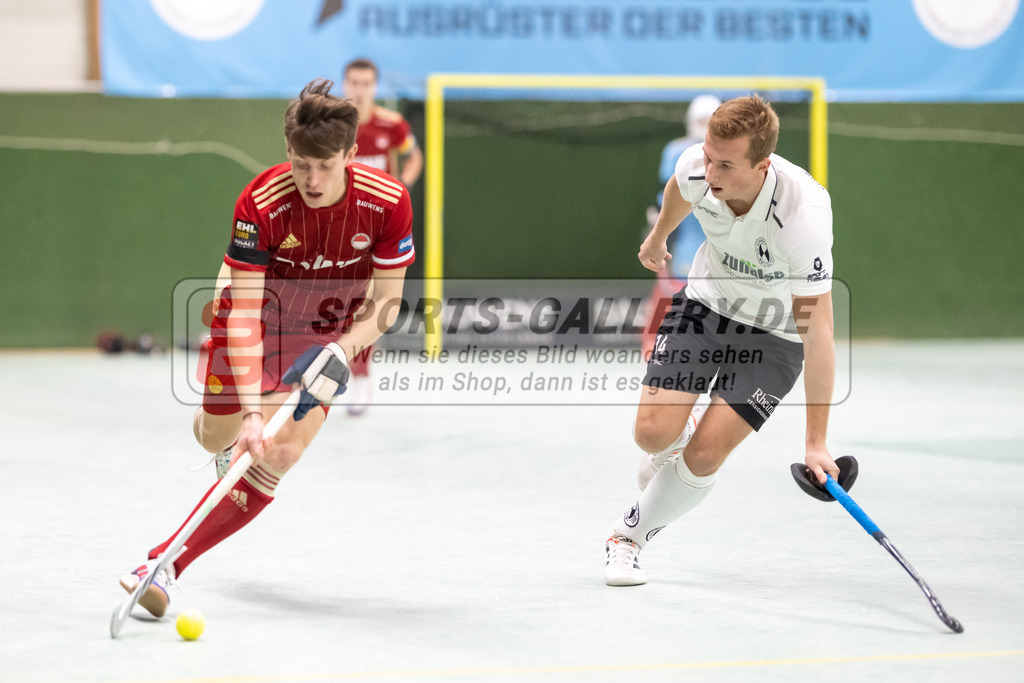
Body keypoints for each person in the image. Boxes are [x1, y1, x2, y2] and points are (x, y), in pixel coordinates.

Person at [119, 79, 415, 618]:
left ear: (351, 154)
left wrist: (343, 350)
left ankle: (165, 564)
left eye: (326, 165)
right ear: (288, 151)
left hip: (327, 330)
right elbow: (248, 316)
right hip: (255, 314)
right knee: (220, 433)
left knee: (280, 451)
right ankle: (225, 443)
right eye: (302, 164)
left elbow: (388, 304)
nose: (313, 179)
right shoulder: (260, 202)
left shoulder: (387, 203)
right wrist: (254, 411)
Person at [604, 94, 839, 586]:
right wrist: (658, 238)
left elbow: (818, 331)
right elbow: (679, 188)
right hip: (705, 307)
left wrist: (816, 442)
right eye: (708, 156)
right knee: (651, 436)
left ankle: (628, 538)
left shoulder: (803, 216)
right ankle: (679, 434)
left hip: (774, 337)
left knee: (706, 455)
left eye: (726, 164)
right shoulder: (698, 165)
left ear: (762, 165)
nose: (710, 172)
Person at [341, 58, 424, 415]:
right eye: (354, 82)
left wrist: (401, 186)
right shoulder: (335, 122)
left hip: (379, 226)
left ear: (374, 86)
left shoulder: (392, 124)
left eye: (366, 83)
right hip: (341, 223)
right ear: (345, 84)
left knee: (370, 304)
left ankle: (361, 378)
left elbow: (414, 156)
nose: (359, 89)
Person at [641, 95, 721, 360]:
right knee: (668, 290)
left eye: (709, 120)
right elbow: (665, 196)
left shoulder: (728, 152)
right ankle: (653, 343)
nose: (704, 125)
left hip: (717, 239)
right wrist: (659, 233)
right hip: (685, 236)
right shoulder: (677, 151)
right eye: (700, 120)